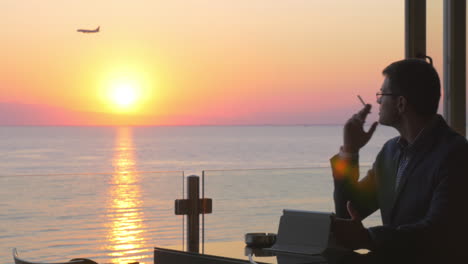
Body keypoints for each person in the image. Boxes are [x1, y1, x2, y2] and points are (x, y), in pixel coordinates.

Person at [329, 58, 468, 262]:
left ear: (401, 103)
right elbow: (348, 209)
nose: (377, 101)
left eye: (382, 94)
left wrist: (369, 238)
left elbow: (439, 232)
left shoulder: (456, 154)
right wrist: (349, 152)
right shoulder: (390, 152)